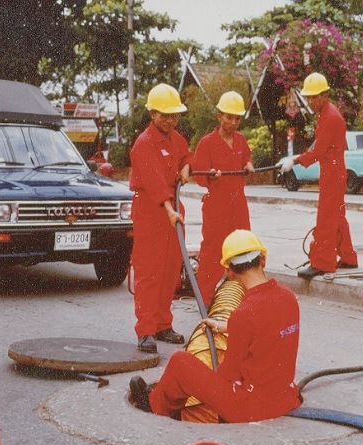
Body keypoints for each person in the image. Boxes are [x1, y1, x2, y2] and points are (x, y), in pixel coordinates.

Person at [129, 230, 301, 423]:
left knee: (179, 362)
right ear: (263, 260)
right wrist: (225, 326)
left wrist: (203, 379)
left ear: (229, 272)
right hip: (286, 398)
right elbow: (266, 328)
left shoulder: (244, 313)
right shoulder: (288, 297)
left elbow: (228, 374)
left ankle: (154, 406)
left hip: (250, 408)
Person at [129, 83, 194, 353]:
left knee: (170, 270)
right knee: (149, 272)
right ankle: (146, 330)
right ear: (152, 114)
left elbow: (187, 156)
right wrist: (169, 210)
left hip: (172, 209)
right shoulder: (144, 144)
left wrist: (186, 167)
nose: (170, 121)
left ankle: (163, 324)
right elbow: (155, 183)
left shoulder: (175, 138)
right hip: (151, 210)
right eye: (164, 116)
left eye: (174, 116)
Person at [278, 72, 359, 279]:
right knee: (337, 216)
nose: (311, 101)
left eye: (315, 97)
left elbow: (318, 151)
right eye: (308, 97)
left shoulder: (330, 116)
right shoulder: (326, 113)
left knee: (326, 217)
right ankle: (348, 257)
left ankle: (322, 262)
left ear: (325, 95)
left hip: (332, 170)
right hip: (333, 169)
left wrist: (295, 160)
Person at [191, 91, 255, 306]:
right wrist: (209, 174)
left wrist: (248, 164)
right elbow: (198, 173)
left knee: (243, 248)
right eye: (229, 117)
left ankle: (240, 297)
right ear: (219, 116)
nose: (233, 122)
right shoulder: (207, 143)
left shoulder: (240, 140)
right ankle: (205, 300)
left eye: (237, 118)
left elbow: (246, 157)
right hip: (216, 205)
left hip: (239, 203)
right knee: (212, 251)